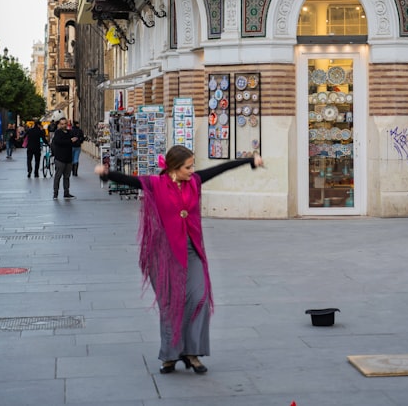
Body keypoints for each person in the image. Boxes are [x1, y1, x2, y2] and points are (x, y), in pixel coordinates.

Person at [94, 146, 264, 375]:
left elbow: (221, 168)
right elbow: (128, 180)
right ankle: (170, 355)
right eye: (188, 166)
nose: (192, 170)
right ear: (174, 168)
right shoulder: (155, 184)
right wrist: (105, 173)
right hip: (164, 254)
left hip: (192, 250)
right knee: (170, 305)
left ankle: (191, 352)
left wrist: (249, 160)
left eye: (193, 165)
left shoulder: (195, 181)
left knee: (200, 299)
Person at [51, 117, 79, 199]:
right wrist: (70, 141)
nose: (64, 125)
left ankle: (66, 192)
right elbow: (59, 142)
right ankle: (55, 193)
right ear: (59, 124)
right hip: (60, 158)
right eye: (62, 124)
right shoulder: (58, 133)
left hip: (68, 158)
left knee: (67, 176)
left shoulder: (70, 132)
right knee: (58, 176)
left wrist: (75, 140)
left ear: (67, 124)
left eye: (65, 124)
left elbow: (75, 140)